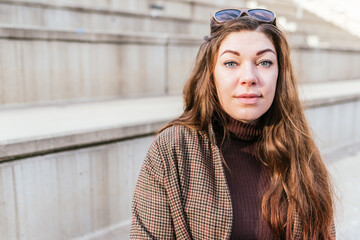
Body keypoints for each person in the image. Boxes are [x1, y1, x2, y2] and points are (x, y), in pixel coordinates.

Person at [130, 8, 336, 240]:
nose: (249, 77)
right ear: (211, 74)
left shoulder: (301, 152)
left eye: (264, 62)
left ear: (280, 74)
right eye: (231, 63)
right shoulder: (173, 149)